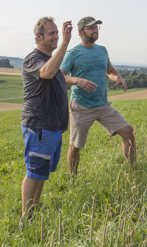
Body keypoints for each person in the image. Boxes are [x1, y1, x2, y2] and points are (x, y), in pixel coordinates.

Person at [60, 16, 135, 174]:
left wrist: (119, 78)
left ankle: (134, 171)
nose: (95, 30)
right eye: (90, 28)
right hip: (81, 106)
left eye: (96, 27)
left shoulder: (102, 50)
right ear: (81, 32)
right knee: (75, 146)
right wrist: (77, 80)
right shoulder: (73, 53)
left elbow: (110, 70)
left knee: (128, 132)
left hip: (102, 105)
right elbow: (59, 78)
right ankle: (74, 180)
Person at [20, 16, 72, 223]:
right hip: (39, 126)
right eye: (52, 33)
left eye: (57, 33)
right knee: (34, 171)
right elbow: (47, 73)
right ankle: (26, 217)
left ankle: (36, 206)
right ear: (38, 37)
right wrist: (66, 43)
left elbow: (57, 77)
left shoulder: (52, 60)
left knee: (42, 171)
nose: (56, 37)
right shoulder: (34, 59)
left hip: (52, 127)